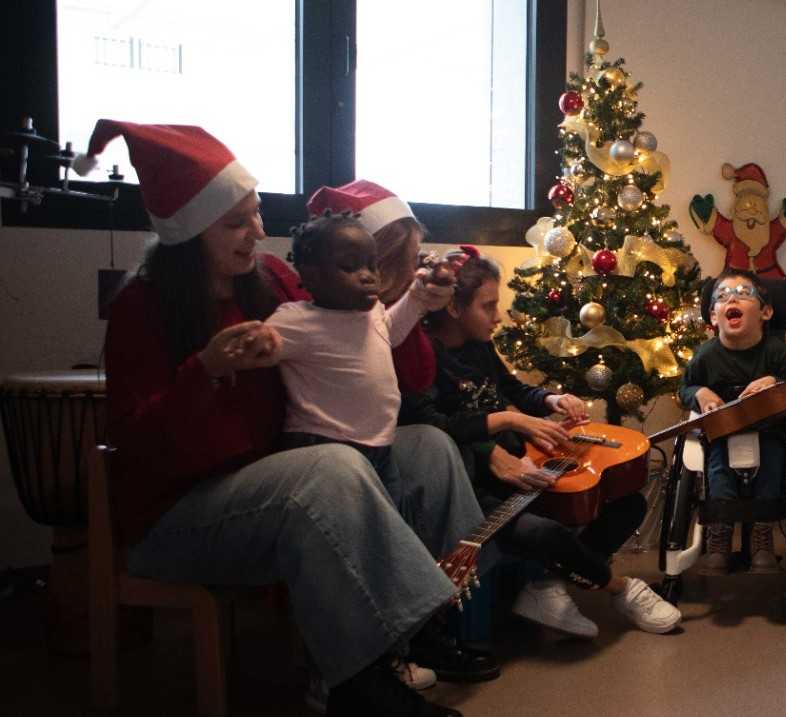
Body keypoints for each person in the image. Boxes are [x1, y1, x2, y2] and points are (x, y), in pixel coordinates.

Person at [84, 119, 486, 717]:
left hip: (277, 480)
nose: (257, 231)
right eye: (236, 222)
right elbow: (138, 446)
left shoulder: (270, 280)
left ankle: (439, 625)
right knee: (331, 469)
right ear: (189, 230)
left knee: (426, 446)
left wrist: (414, 300)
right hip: (180, 521)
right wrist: (204, 371)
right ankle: (366, 679)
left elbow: (371, 351)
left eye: (255, 214)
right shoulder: (142, 308)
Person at [402, 249, 682, 638]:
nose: (497, 316)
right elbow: (432, 426)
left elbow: (513, 388)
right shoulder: (423, 354)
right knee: (544, 533)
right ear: (453, 307)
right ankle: (620, 588)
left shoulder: (478, 344)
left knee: (628, 504)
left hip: (524, 465)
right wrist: (510, 420)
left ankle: (545, 585)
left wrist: (552, 399)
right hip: (479, 484)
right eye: (488, 306)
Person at [267, 214, 443, 474]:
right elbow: (262, 344)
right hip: (323, 443)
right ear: (311, 275)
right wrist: (254, 341)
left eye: (372, 266)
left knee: (389, 498)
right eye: (350, 267)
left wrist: (417, 296)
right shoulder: (298, 319)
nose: (368, 276)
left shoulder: (372, 312)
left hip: (379, 444)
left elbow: (390, 333)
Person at [677, 268, 786, 574]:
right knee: (717, 469)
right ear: (713, 316)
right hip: (722, 431)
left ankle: (762, 535)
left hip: (768, 429)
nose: (731, 299)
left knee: (773, 461)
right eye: (721, 296)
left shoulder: (775, 352)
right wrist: (701, 392)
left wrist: (774, 381)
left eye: (744, 294)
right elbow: (684, 389)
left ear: (765, 312)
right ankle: (719, 535)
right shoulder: (706, 355)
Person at [306, 180, 442, 394]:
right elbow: (416, 378)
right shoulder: (326, 322)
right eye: (410, 260)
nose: (413, 272)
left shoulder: (394, 305)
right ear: (382, 265)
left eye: (417, 258)